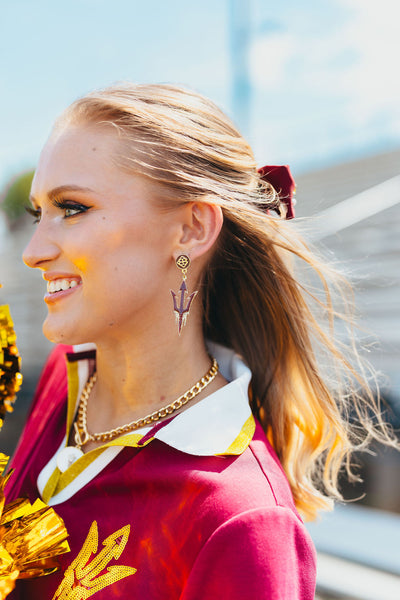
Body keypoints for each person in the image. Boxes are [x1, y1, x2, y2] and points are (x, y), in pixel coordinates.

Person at [6, 84, 395, 600]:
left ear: (191, 229)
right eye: (39, 213)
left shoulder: (243, 523)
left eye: (72, 208)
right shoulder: (66, 373)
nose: (34, 251)